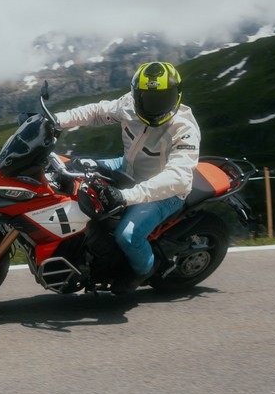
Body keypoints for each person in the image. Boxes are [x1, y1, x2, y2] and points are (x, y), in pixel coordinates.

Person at [55, 61, 201, 294]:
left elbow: (179, 178)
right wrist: (57, 121)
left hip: (165, 191)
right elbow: (97, 111)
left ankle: (143, 270)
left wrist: (125, 196)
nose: (155, 106)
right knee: (71, 168)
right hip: (127, 167)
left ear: (176, 96)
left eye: (163, 98)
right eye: (148, 99)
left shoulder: (184, 129)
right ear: (136, 96)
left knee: (128, 236)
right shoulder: (129, 105)